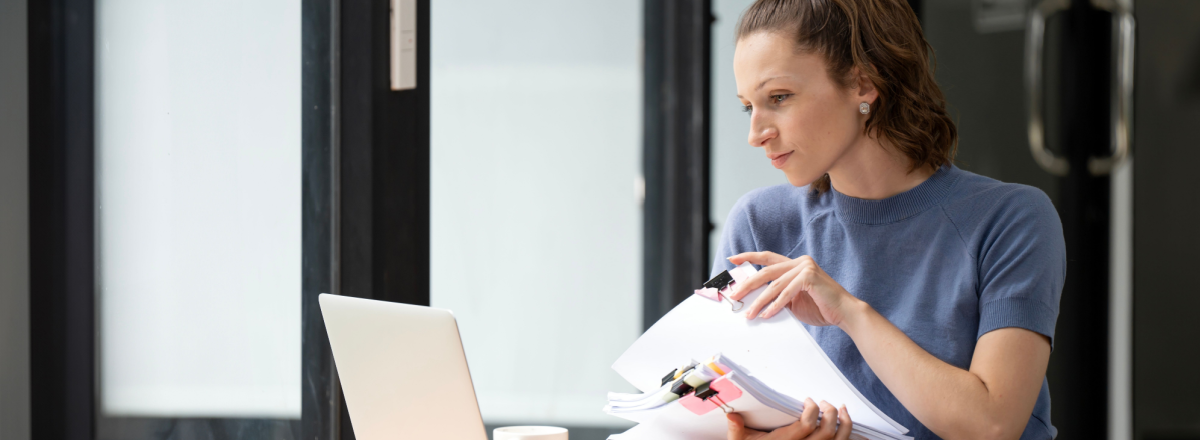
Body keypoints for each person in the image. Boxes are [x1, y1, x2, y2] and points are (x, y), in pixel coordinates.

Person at [716, 1, 1065, 439]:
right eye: (748, 107)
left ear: (863, 84)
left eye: (779, 98)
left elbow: (992, 425)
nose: (756, 133)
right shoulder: (758, 224)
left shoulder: (1011, 220)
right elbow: (720, 409)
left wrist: (847, 311)